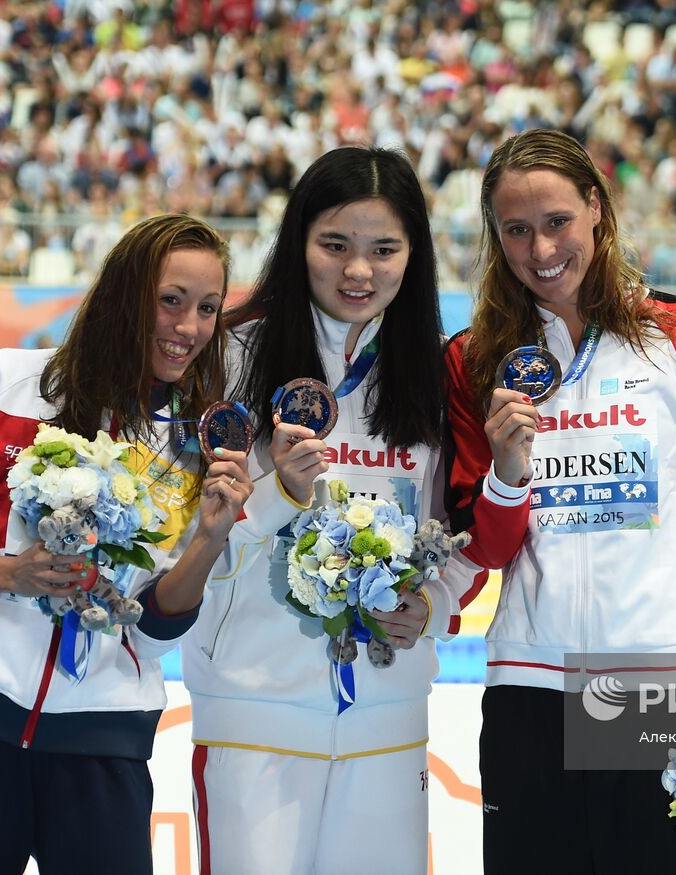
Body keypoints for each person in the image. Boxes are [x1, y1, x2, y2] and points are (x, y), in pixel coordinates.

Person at [443, 128, 676, 872]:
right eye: (517, 231)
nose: (541, 251)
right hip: (531, 686)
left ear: (596, 208)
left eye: (557, 222)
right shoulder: (473, 358)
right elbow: (483, 546)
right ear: (495, 238)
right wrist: (507, 470)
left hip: (667, 687)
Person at [0, 214, 252, 874]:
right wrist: (2, 572)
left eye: (207, 309)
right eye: (170, 300)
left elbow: (157, 630)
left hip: (103, 748)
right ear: (123, 293)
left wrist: (210, 538)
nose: (188, 328)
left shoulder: (189, 448)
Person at [183, 146, 470, 874]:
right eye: (335, 245)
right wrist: (281, 494)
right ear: (298, 243)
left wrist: (430, 603)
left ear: (415, 255)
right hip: (254, 709)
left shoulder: (436, 375)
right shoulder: (230, 358)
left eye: (384, 249)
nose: (358, 272)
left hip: (388, 712)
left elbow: (454, 536)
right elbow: (189, 541)